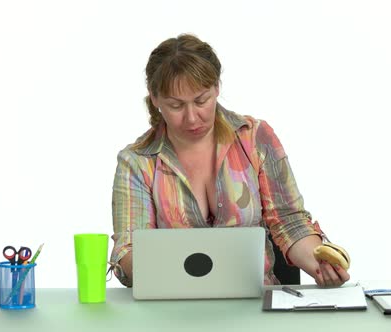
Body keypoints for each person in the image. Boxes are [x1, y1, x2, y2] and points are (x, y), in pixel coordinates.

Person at [109, 33, 350, 288]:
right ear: (155, 98)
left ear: (216, 88)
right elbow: (128, 249)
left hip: (256, 303)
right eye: (176, 106)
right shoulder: (136, 162)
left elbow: (288, 220)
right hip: (172, 306)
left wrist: (318, 263)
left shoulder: (255, 138)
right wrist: (147, 269)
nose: (192, 118)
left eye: (201, 100)